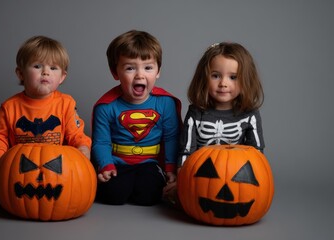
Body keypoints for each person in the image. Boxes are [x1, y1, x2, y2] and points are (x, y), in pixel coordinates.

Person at [0, 36, 91, 205]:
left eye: (53, 68)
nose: (45, 72)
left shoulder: (66, 104)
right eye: (37, 66)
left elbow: (76, 135)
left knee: (71, 197)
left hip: (55, 172)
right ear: (21, 73)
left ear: (62, 77)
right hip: (18, 171)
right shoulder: (10, 107)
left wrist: (83, 151)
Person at [164, 42, 265, 205]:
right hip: (200, 177)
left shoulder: (249, 115)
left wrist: (259, 183)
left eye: (233, 77)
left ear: (246, 79)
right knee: (184, 199)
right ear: (204, 77)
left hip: (236, 178)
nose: (223, 83)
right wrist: (181, 181)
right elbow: (186, 151)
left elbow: (257, 154)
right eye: (216, 75)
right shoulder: (196, 113)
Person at [92, 30, 182, 206]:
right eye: (130, 68)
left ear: (158, 71)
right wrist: (106, 165)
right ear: (115, 72)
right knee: (113, 195)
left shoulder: (165, 103)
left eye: (148, 67)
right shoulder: (106, 106)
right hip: (118, 162)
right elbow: (101, 142)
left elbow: (172, 137)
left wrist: (171, 168)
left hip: (150, 162)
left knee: (149, 196)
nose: (140, 75)